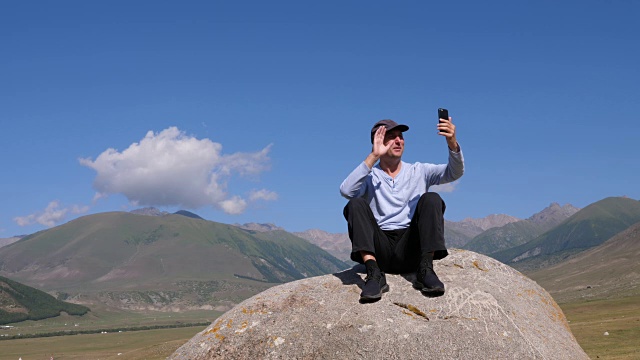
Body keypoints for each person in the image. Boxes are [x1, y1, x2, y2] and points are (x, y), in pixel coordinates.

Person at [339, 115, 464, 302]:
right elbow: (346, 191)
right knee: (355, 204)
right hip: (380, 249)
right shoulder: (370, 176)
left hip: (411, 247)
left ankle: (425, 270)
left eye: (401, 136)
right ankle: (374, 274)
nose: (399, 140)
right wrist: (374, 156)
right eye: (392, 136)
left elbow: (455, 172)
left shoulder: (419, 170)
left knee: (432, 199)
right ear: (378, 141)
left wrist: (452, 142)